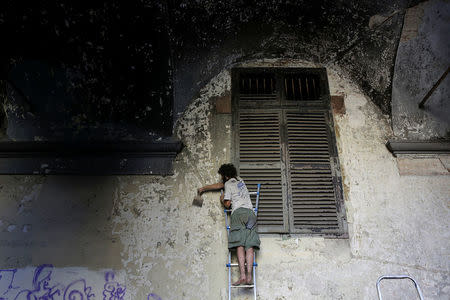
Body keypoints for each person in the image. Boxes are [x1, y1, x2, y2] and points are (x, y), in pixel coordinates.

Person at [198, 163, 260, 285]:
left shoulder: (227, 184)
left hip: (238, 214)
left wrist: (222, 198)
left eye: (222, 176)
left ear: (225, 176)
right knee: (250, 246)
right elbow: (219, 185)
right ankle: (249, 277)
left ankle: (242, 275)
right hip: (251, 214)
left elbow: (227, 204)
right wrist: (204, 188)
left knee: (240, 245)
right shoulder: (240, 180)